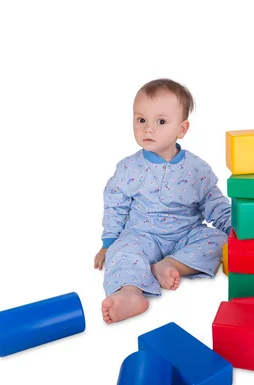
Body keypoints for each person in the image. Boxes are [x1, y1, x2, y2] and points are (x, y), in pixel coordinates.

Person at [94, 78, 231, 324]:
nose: (148, 129)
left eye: (161, 122)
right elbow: (115, 205)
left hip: (186, 235)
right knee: (122, 252)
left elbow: (215, 203)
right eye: (141, 120)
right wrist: (109, 242)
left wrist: (235, 226)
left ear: (182, 129)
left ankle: (171, 265)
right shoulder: (129, 167)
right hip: (142, 235)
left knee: (220, 242)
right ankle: (130, 292)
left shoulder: (197, 169)